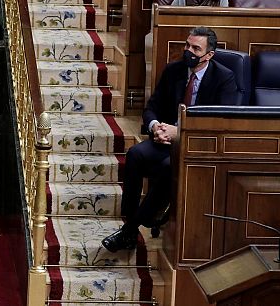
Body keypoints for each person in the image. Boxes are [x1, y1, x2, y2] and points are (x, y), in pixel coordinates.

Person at [101, 27, 237, 252]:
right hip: (165, 139)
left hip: (196, 146)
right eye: (187, 45)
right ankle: (130, 226)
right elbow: (152, 107)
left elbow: (221, 123)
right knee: (135, 154)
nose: (188, 51)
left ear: (209, 55)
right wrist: (156, 127)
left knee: (168, 166)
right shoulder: (174, 70)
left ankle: (128, 231)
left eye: (195, 48)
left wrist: (180, 132)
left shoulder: (224, 78)